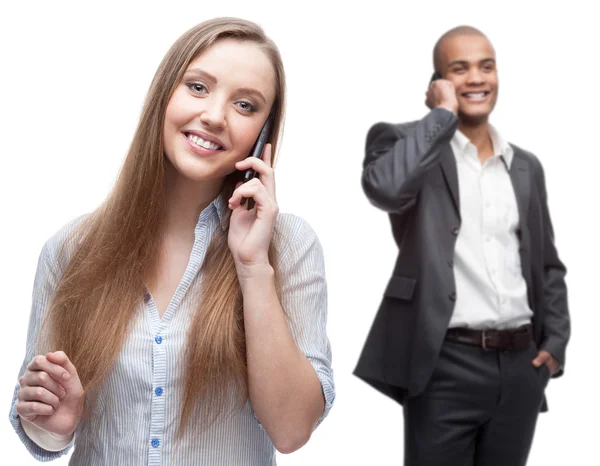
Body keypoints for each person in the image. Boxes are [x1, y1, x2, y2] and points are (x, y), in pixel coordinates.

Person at [9, 17, 334, 465]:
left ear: (263, 135)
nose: (215, 116)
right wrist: (52, 424)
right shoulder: (71, 248)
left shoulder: (288, 245)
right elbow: (43, 431)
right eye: (198, 88)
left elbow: (292, 428)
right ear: (164, 94)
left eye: (245, 105)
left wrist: (252, 266)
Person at [354, 26, 569, 466]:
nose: (476, 78)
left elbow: (546, 263)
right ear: (440, 81)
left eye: (486, 66)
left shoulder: (524, 166)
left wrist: (557, 340)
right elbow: (386, 190)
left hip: (521, 365)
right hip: (444, 364)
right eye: (460, 67)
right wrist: (441, 116)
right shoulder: (402, 142)